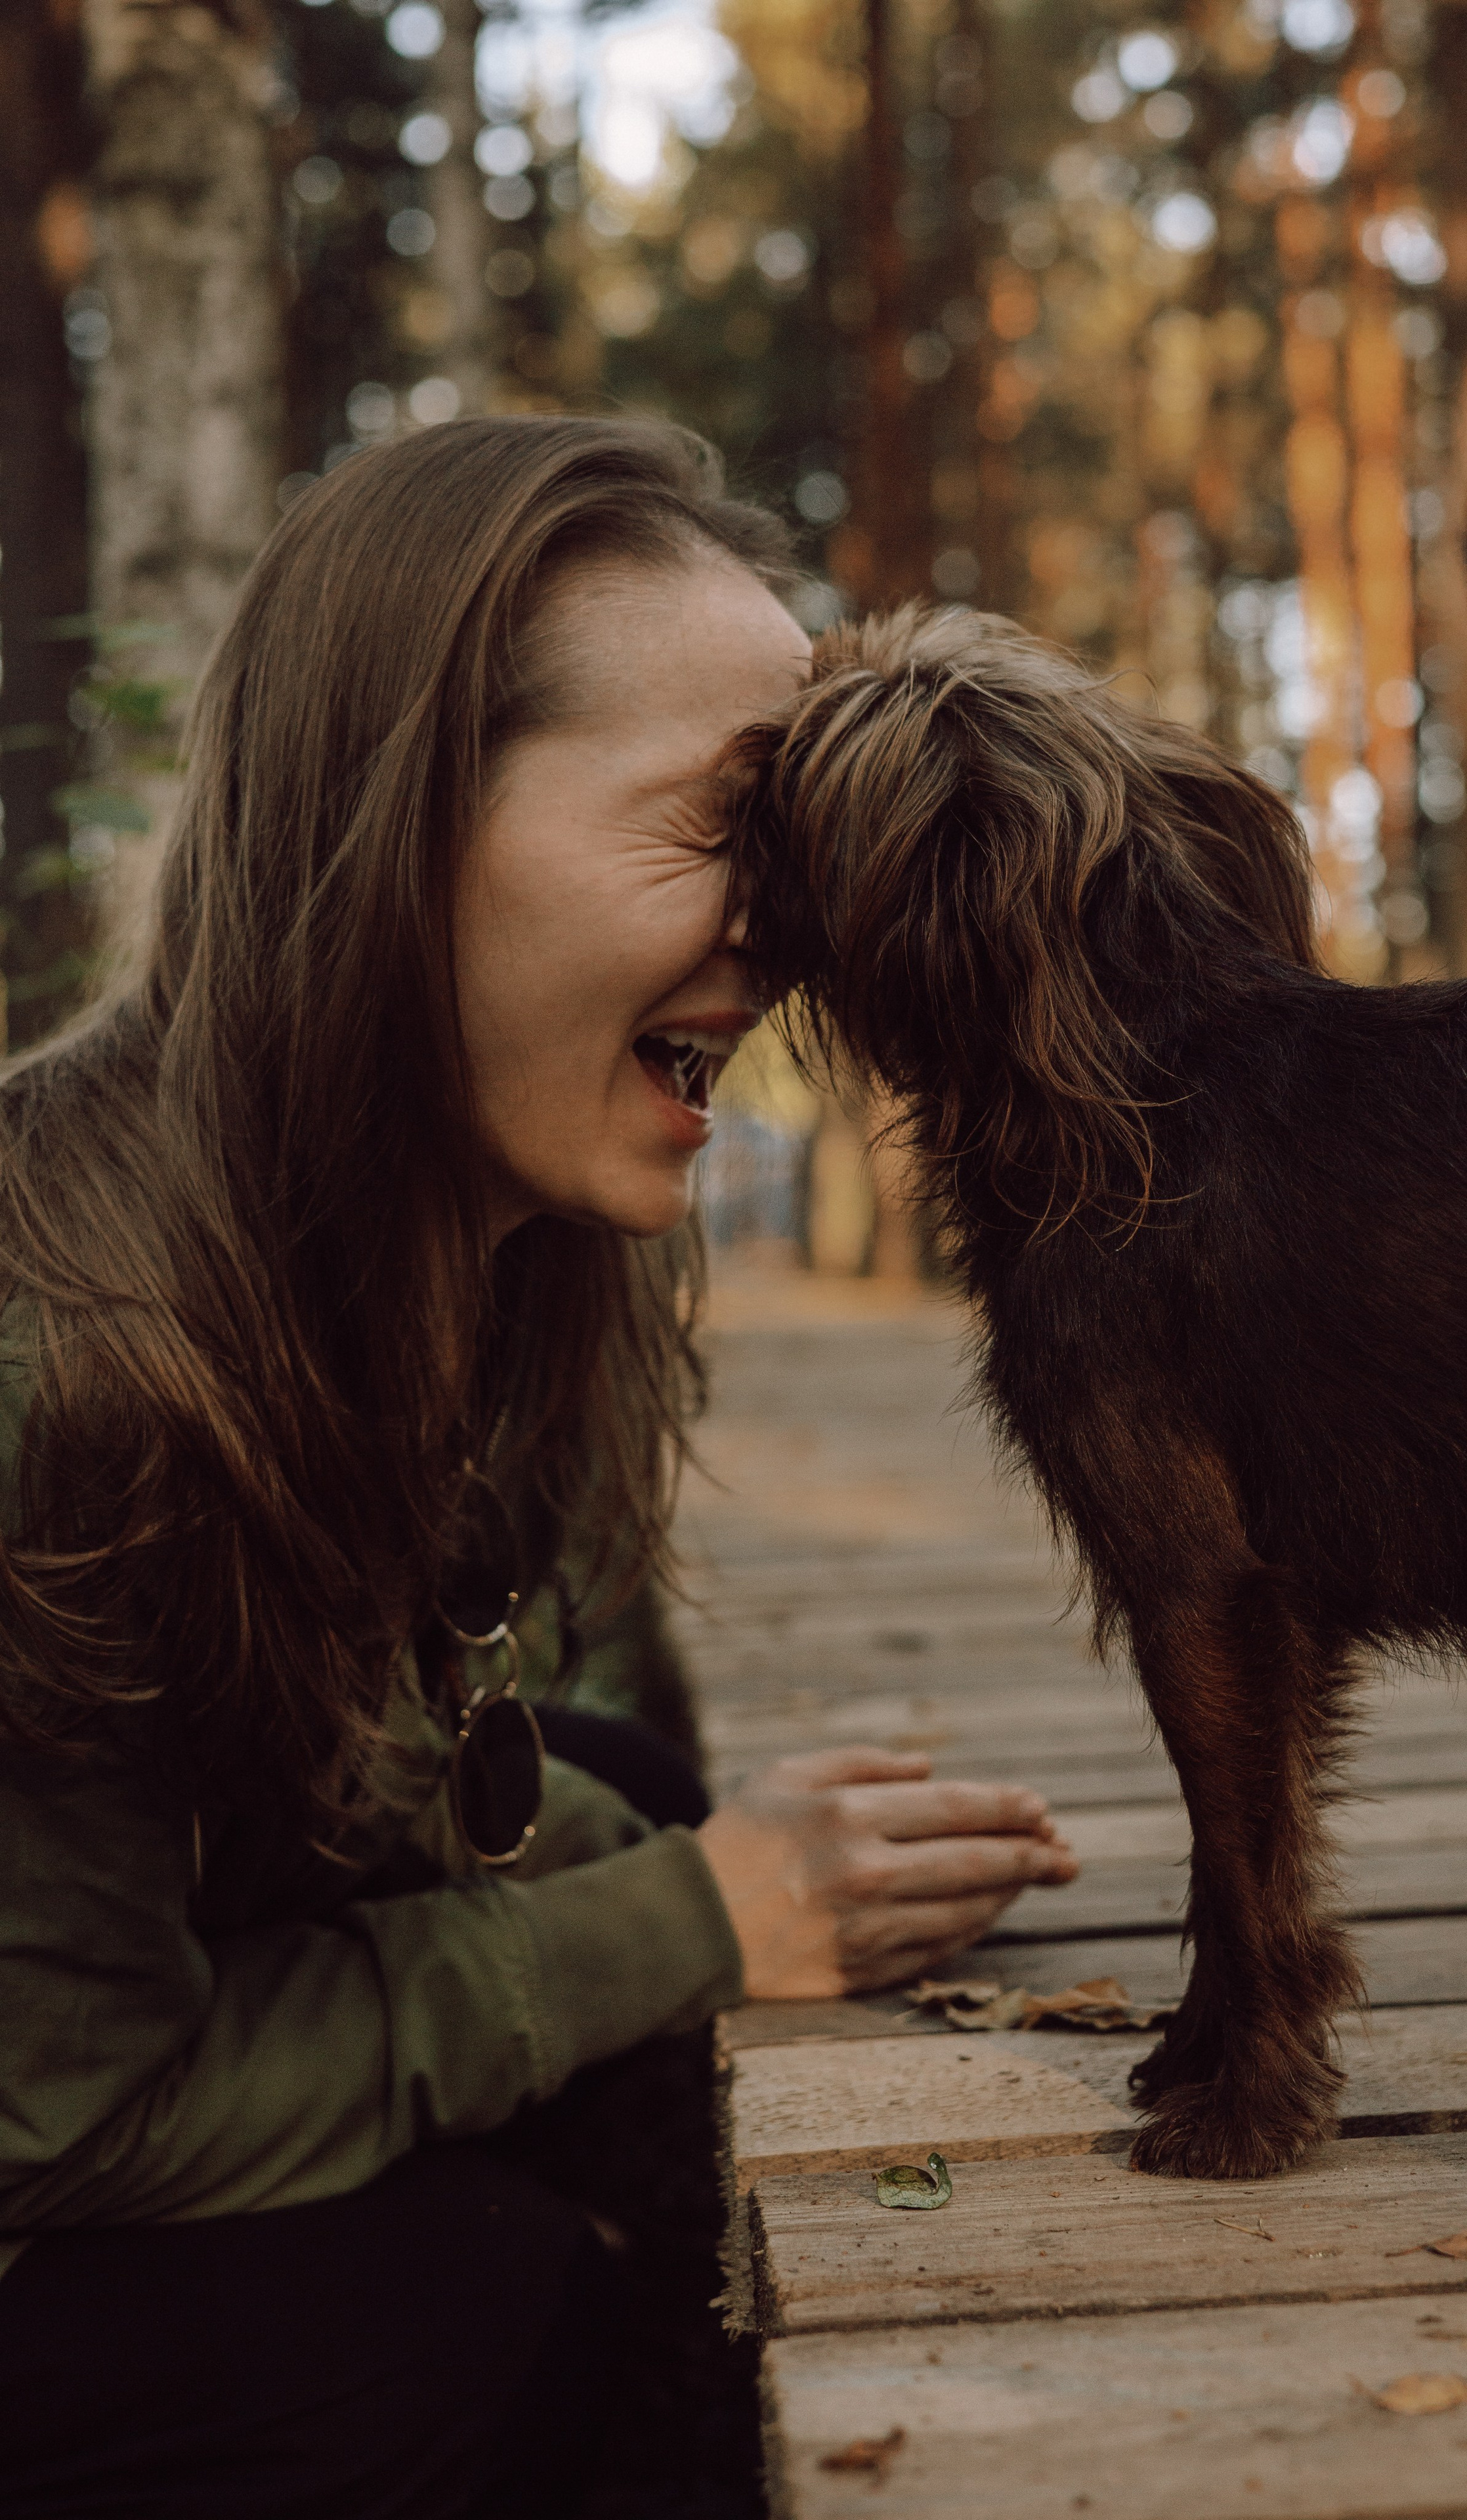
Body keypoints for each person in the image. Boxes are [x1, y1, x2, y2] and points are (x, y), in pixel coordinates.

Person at [0, 416, 1077, 2519]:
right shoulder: (77, 1383)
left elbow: (384, 1766)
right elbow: (61, 2114)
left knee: (627, 1785)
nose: (796, 942)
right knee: (468, 2314)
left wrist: (686, 1859)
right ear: (400, 823)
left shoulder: (429, 1269)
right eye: (725, 832)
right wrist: (684, 1924)